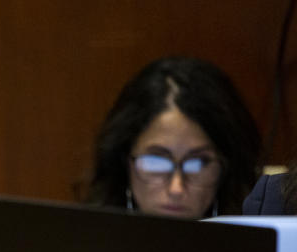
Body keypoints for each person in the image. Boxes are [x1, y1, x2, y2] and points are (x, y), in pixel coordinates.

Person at [87, 56, 261, 219]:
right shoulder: (87, 245)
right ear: (123, 162)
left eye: (198, 163)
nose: (176, 189)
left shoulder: (258, 247)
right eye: (156, 161)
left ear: (226, 169)